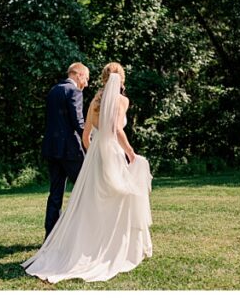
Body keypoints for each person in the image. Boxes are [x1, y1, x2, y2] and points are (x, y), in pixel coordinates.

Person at [23, 63, 152, 283]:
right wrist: (129, 152)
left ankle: (61, 240)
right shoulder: (122, 100)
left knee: (82, 198)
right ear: (121, 79)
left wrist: (93, 152)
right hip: (110, 151)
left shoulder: (92, 100)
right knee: (119, 198)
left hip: (90, 153)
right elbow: (116, 129)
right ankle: (112, 246)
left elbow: (85, 134)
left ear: (103, 79)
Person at [40, 63, 89, 237]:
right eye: (86, 79)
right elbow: (79, 123)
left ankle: (51, 236)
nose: (87, 84)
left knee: (55, 193)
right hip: (70, 151)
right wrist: (91, 140)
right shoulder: (74, 91)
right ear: (79, 75)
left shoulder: (54, 90)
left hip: (52, 150)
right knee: (86, 188)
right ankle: (83, 233)